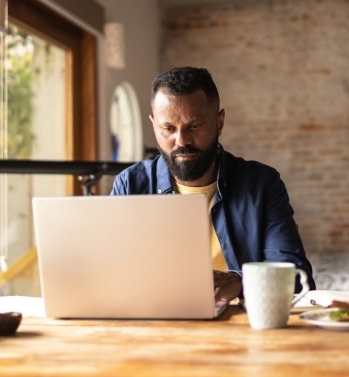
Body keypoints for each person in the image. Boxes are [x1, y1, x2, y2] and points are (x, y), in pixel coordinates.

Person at [111, 66, 314, 307]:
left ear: (219, 122)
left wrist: (238, 282)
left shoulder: (262, 184)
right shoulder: (130, 184)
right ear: (154, 125)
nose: (182, 140)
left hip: (241, 324)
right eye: (168, 129)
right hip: (158, 321)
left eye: (195, 126)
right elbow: (112, 274)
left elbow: (297, 281)